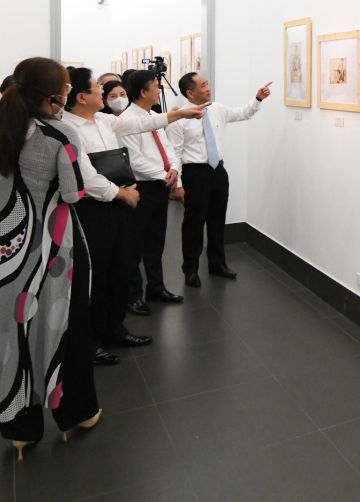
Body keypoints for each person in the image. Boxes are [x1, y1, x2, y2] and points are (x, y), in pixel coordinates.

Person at [0, 57, 99, 458]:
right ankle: (74, 412)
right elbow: (74, 193)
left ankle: (20, 429)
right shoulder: (61, 134)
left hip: (0, 252)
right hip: (54, 249)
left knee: (8, 333)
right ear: (54, 95)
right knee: (65, 329)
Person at [62, 67, 206, 365]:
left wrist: (178, 115)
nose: (102, 91)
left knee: (117, 269)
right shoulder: (68, 129)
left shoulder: (103, 120)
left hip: (116, 203)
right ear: (81, 97)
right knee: (96, 276)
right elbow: (85, 176)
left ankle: (115, 329)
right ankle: (92, 342)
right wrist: (121, 193)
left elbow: (142, 122)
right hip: (93, 208)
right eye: (97, 87)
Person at [168, 73, 271, 288]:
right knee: (194, 224)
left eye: (207, 84)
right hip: (194, 174)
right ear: (190, 93)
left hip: (218, 172)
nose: (208, 88)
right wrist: (178, 185)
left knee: (217, 220)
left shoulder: (217, 109)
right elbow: (174, 153)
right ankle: (190, 269)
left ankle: (217, 263)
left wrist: (257, 99)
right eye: (203, 85)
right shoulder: (179, 119)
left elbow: (243, 113)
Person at [119, 71, 185, 316]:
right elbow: (134, 161)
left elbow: (168, 148)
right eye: (156, 86)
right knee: (135, 245)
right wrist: (165, 174)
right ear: (143, 92)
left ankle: (156, 288)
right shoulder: (127, 121)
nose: (160, 90)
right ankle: (133, 295)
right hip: (141, 188)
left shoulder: (153, 116)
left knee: (156, 241)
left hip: (160, 185)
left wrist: (174, 169)